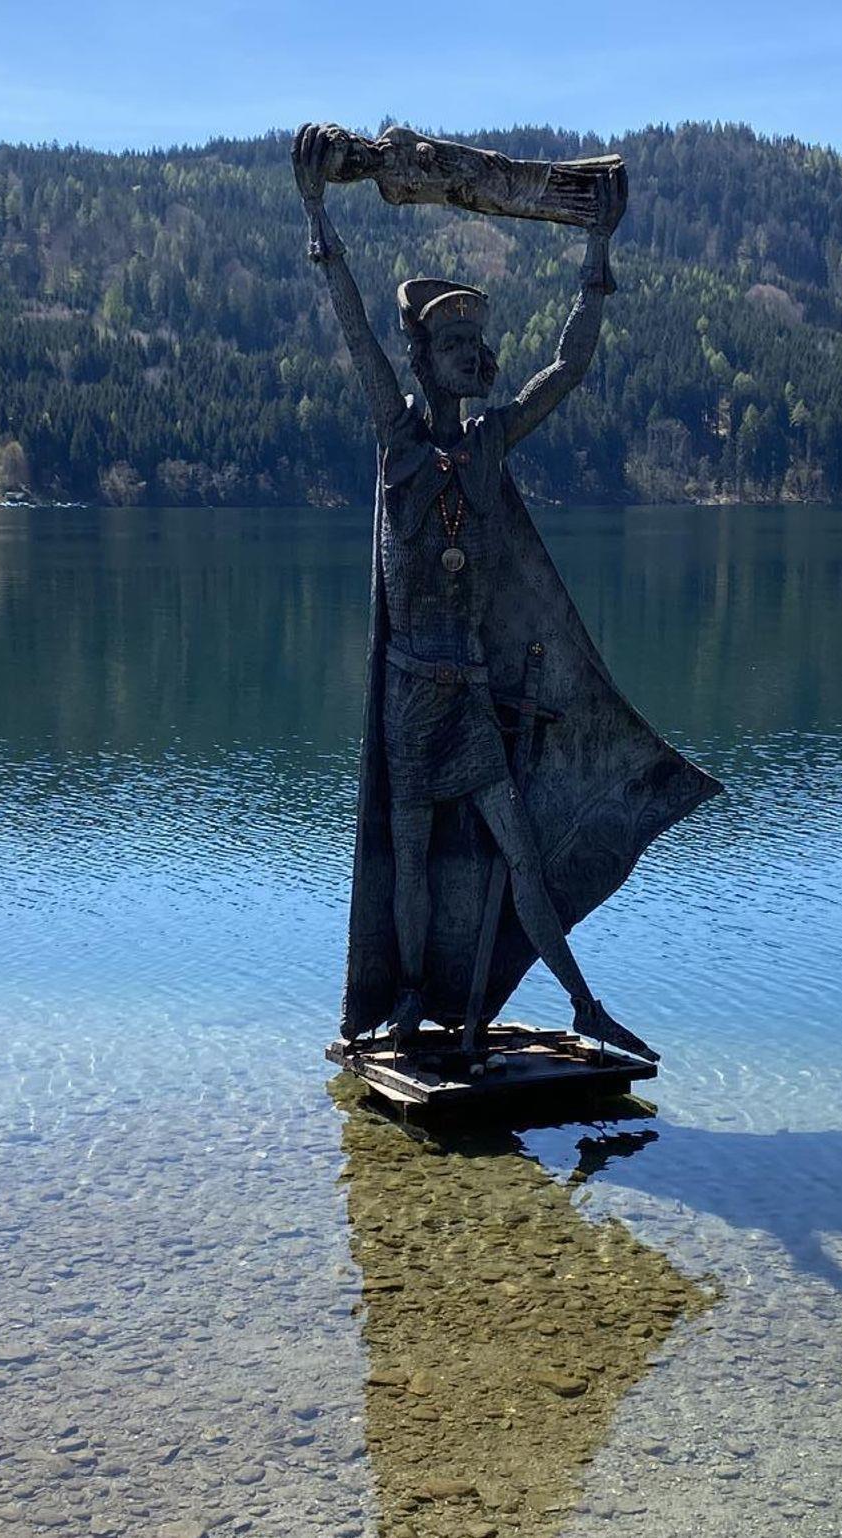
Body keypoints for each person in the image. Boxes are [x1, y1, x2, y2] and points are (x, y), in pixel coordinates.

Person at [297, 123, 713, 1061]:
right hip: (412, 699)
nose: (475, 359)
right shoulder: (400, 443)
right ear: (423, 360)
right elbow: (354, 330)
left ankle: (583, 1002)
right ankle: (411, 1001)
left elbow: (567, 371)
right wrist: (319, 220)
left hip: (473, 697)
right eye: (456, 346)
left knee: (521, 853)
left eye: (479, 346)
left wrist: (596, 256)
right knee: (410, 859)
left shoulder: (488, 447)